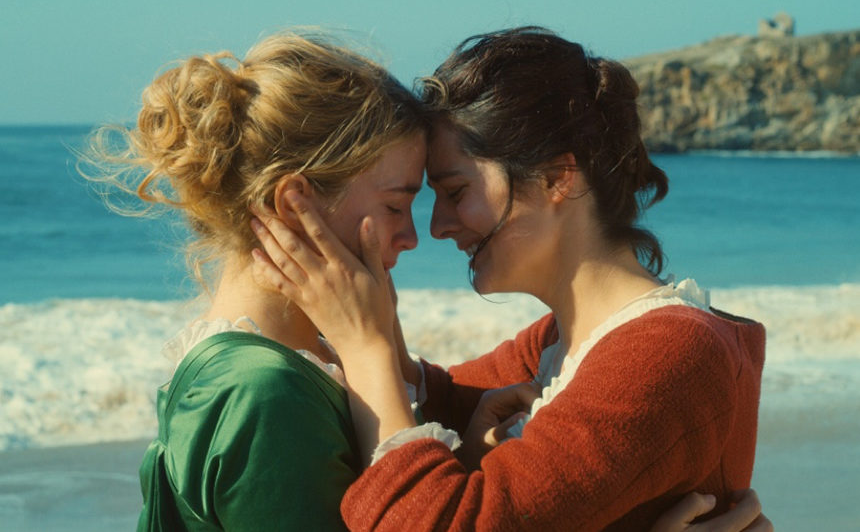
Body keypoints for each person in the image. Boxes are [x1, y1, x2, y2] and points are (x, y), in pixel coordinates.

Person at [249, 27, 769, 531]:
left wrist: (365, 347)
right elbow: (442, 400)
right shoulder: (556, 345)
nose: (437, 226)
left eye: (455, 192)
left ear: (555, 179)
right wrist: (371, 318)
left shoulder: (667, 352)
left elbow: (442, 523)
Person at [83, 31, 429, 530]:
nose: (413, 236)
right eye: (396, 205)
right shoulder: (266, 395)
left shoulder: (296, 364)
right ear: (295, 203)